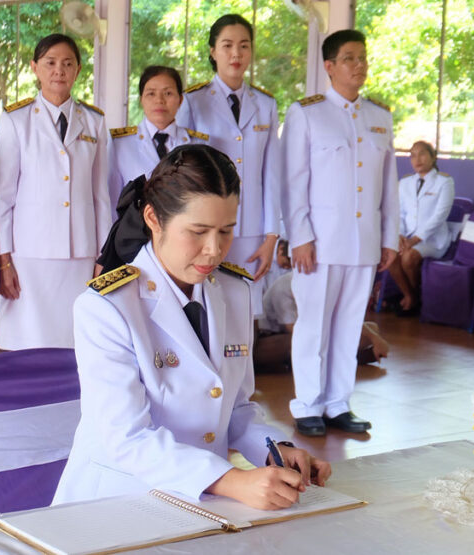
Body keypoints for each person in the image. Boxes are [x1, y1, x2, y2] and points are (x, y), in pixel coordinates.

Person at [55, 144, 330, 509]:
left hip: (203, 498)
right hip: (118, 501)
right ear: (153, 219)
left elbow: (236, 406)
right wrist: (232, 481)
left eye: (226, 231)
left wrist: (275, 450)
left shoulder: (234, 291)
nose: (214, 250)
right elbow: (128, 438)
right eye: (198, 231)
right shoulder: (107, 308)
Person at [281, 30, 399, 437]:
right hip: (319, 242)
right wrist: (299, 236)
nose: (359, 65)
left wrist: (388, 238)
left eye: (362, 57)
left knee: (349, 327)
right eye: (349, 58)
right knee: (313, 326)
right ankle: (308, 405)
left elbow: (389, 186)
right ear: (329, 66)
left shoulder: (380, 117)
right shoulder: (307, 113)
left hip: (364, 241)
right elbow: (293, 180)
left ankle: (338, 403)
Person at [0, 33, 110, 350]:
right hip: (28, 256)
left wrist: (104, 256)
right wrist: (3, 260)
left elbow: (100, 196)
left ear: (78, 70)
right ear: (35, 67)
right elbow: (3, 198)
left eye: (68, 64)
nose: (59, 70)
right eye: (51, 63)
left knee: (77, 342)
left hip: (80, 253)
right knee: (26, 344)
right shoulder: (16, 119)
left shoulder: (94, 122)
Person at [176, 14, 282, 317]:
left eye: (244, 46)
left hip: (251, 230)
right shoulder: (192, 101)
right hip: (205, 227)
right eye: (227, 45)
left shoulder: (266, 104)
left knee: (245, 313)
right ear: (213, 51)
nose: (236, 53)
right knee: (206, 308)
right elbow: (182, 168)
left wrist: (271, 237)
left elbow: (272, 176)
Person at [254, 240, 389, 373]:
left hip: (309, 333)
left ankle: (337, 357)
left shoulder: (319, 284)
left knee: (372, 328)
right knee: (304, 342)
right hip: (273, 338)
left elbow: (344, 317)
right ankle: (348, 358)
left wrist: (375, 339)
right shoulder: (283, 288)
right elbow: (295, 331)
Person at [107, 65, 208, 210]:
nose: (159, 100)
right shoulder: (120, 144)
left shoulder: (197, 144)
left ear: (180, 100)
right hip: (136, 224)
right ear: (141, 99)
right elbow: (112, 199)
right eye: (151, 94)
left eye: (168, 93)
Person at [390, 141, 454, 312]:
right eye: (413, 155)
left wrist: (415, 240)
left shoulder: (444, 182)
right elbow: (400, 213)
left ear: (433, 157)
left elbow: (439, 216)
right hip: (408, 238)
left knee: (408, 257)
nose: (417, 159)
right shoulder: (405, 182)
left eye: (422, 154)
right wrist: (400, 236)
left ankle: (416, 297)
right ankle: (411, 296)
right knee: (390, 255)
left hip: (433, 240)